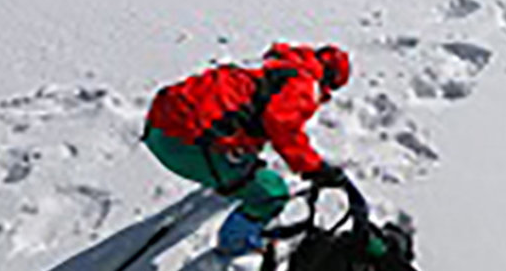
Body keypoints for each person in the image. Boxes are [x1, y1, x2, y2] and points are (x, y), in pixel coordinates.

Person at [143, 42, 353, 256]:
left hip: (158, 124)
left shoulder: (275, 64)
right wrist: (314, 168)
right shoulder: (305, 84)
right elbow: (281, 124)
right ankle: (234, 244)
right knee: (272, 194)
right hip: (185, 145)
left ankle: (227, 178)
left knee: (243, 155)